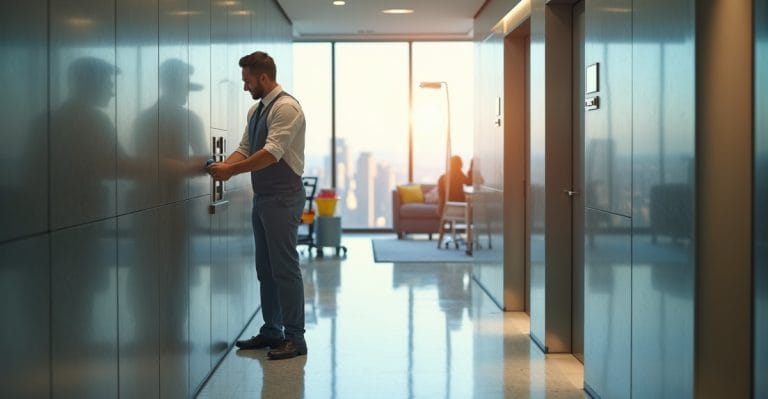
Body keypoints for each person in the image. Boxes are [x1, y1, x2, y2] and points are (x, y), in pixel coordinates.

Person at [207, 51, 307, 360]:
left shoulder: (287, 108)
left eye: (248, 80)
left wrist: (231, 171)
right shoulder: (256, 111)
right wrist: (222, 167)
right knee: (266, 269)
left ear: (263, 77)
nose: (245, 87)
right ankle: (272, 331)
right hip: (263, 197)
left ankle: (295, 338)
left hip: (283, 197)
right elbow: (245, 148)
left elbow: (271, 153)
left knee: (285, 269)